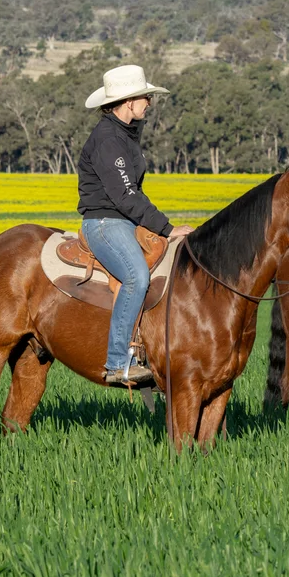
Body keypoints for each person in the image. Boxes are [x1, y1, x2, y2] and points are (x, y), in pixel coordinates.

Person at [77, 65, 193, 386]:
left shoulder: (124, 135)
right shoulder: (108, 140)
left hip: (125, 221)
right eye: (145, 97)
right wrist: (167, 229)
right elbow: (126, 195)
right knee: (136, 276)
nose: (149, 103)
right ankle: (119, 363)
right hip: (105, 223)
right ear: (128, 102)